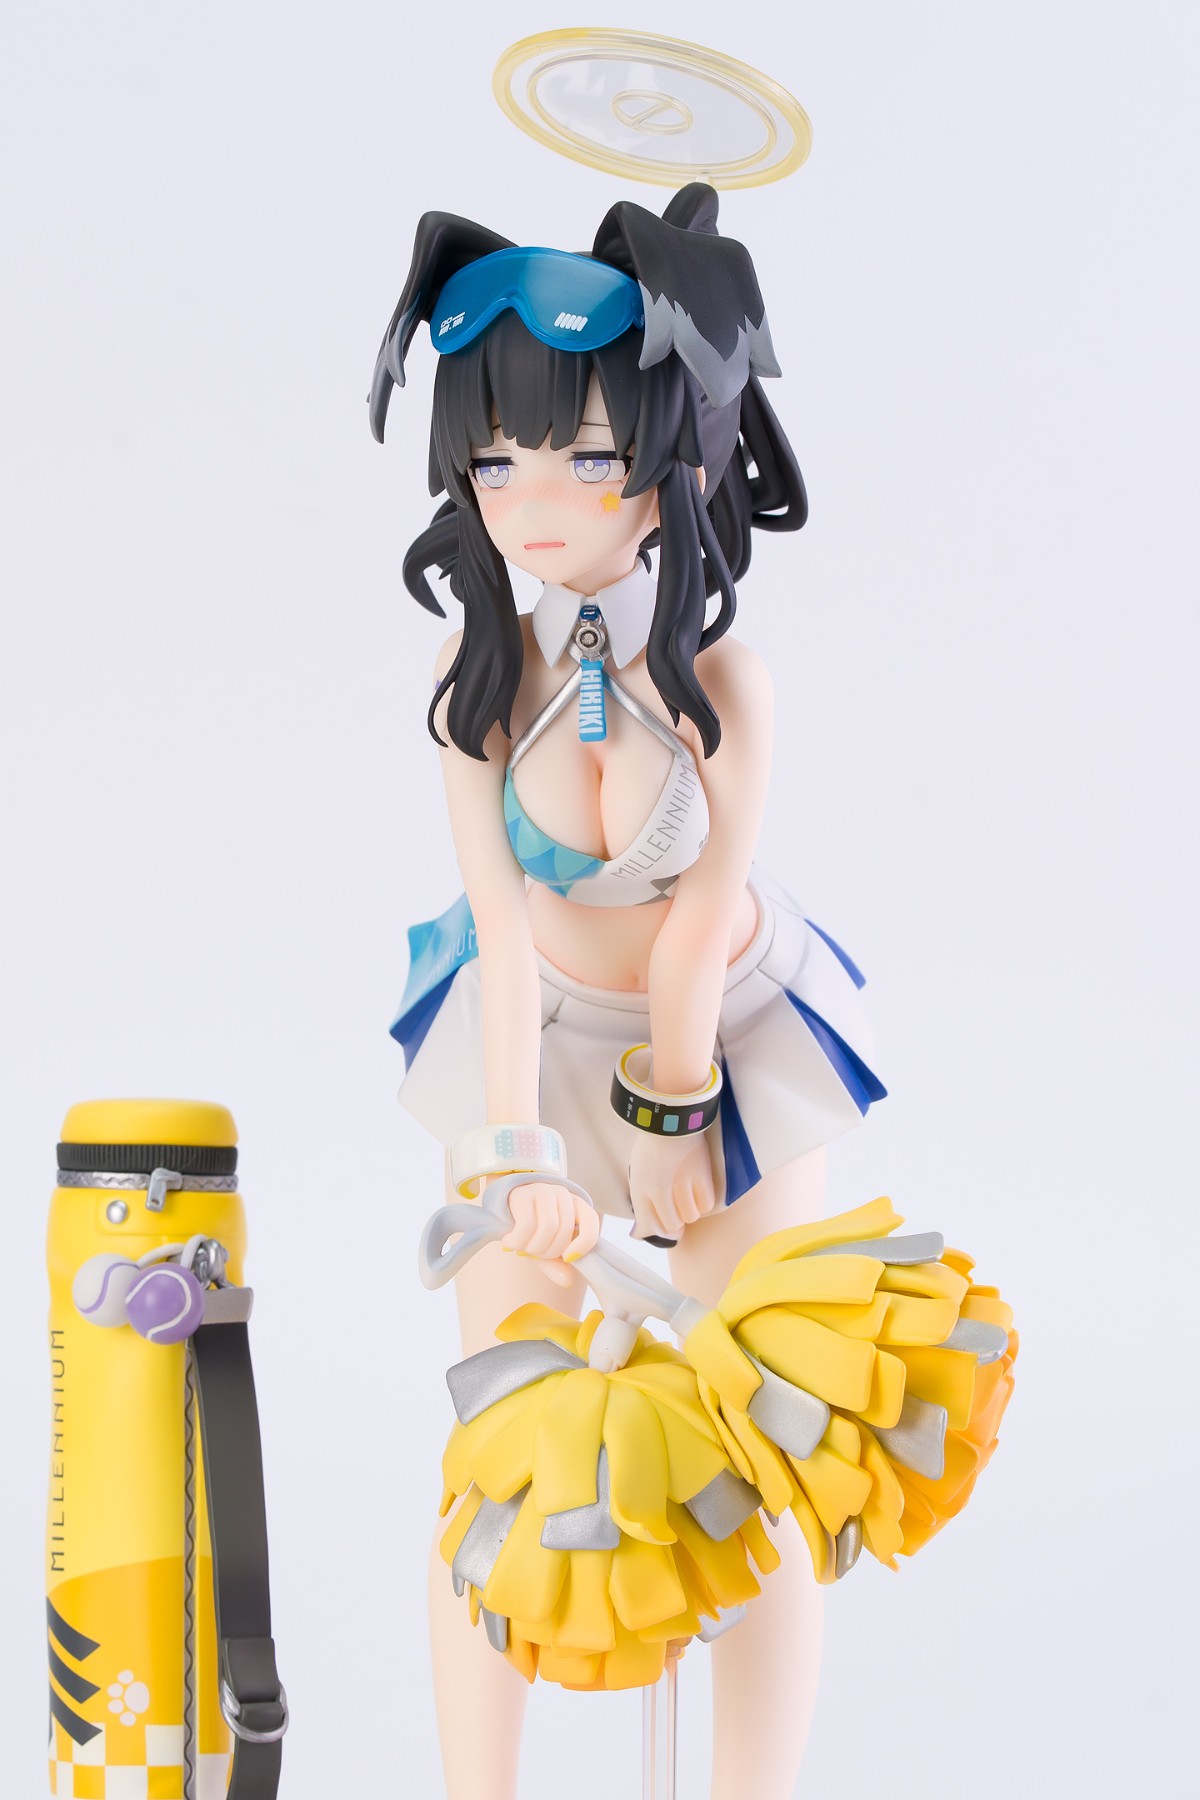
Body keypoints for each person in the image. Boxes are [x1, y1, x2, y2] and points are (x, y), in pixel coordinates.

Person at [372, 182, 886, 1800]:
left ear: (674, 457)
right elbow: (500, 928)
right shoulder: (477, 685)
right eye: (496, 461)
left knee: (756, 1435)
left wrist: (676, 1111)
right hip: (530, 1042)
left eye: (586, 458)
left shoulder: (723, 682)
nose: (532, 502)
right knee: (503, 1447)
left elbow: (701, 913)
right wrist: (513, 1156)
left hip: (726, 1044)